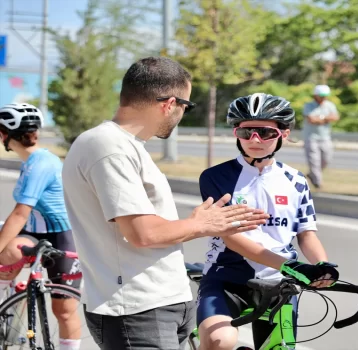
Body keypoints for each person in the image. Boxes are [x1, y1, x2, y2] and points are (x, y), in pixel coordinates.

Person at [61, 57, 270, 350]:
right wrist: (201, 224)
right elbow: (142, 233)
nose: (182, 113)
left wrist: (196, 223)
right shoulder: (110, 148)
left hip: (157, 303)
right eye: (186, 106)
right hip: (138, 309)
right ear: (169, 104)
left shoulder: (124, 146)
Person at [197, 93, 339, 350]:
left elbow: (306, 235)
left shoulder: (296, 180)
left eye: (265, 132)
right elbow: (233, 239)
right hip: (227, 278)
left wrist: (321, 266)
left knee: (279, 348)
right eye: (246, 132)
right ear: (235, 133)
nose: (255, 140)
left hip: (280, 285)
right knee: (219, 341)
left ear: (284, 134)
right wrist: (294, 268)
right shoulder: (215, 177)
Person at [0, 103, 83, 350]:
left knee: (64, 309)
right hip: (34, 232)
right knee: (10, 252)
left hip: (62, 235)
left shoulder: (41, 164)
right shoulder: (31, 162)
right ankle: (11, 305)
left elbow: (19, 213)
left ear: (5, 134)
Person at [302, 84, 340, 189]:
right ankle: (318, 183)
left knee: (326, 159)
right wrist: (326, 118)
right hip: (311, 137)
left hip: (325, 137)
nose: (323, 97)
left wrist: (321, 118)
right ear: (315, 95)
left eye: (325, 95)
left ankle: (312, 175)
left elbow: (335, 117)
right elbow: (312, 120)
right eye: (321, 95)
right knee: (314, 161)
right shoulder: (308, 106)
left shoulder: (330, 105)